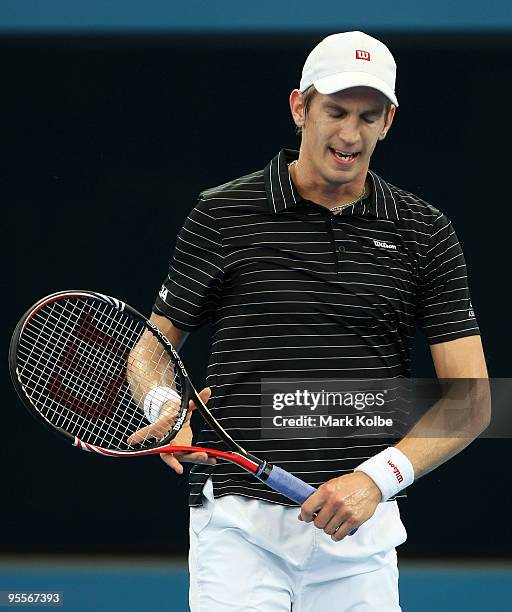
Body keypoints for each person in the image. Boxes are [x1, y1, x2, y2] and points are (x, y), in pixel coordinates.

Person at [144, 31, 490, 611]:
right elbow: (151, 350)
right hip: (238, 531)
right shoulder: (223, 212)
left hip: (361, 537)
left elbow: (474, 400)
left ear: (389, 121)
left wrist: (375, 480)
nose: (349, 134)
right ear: (300, 107)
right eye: (334, 111)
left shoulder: (425, 232)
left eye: (367, 115)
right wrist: (163, 405)